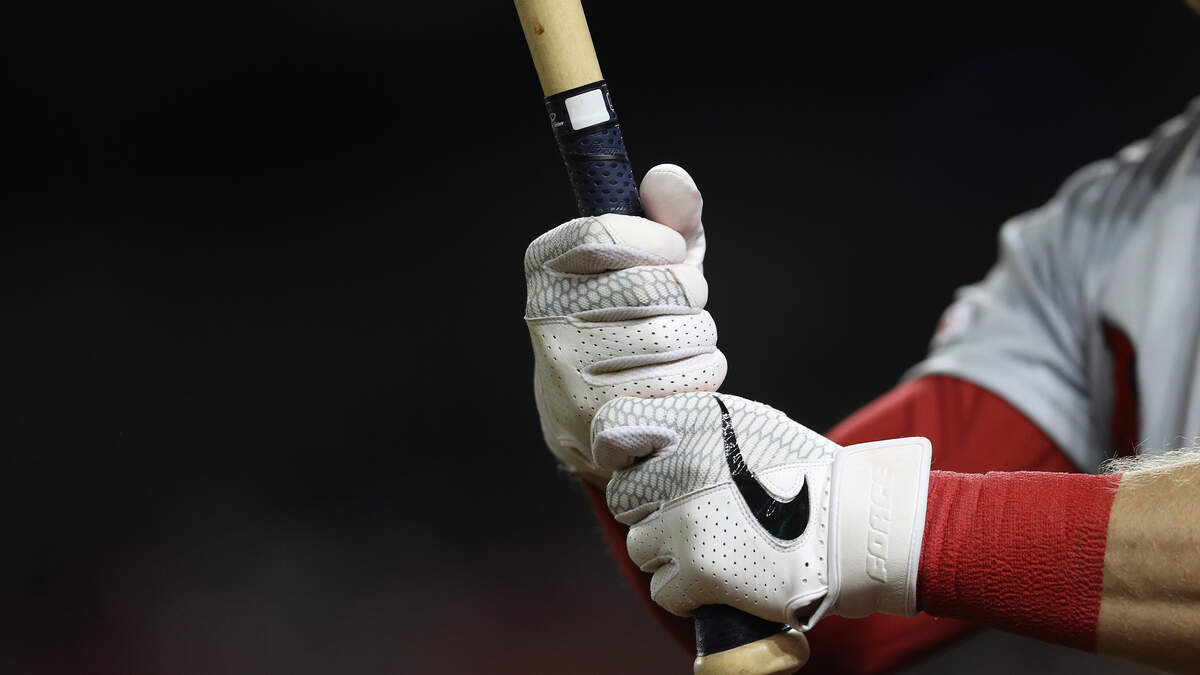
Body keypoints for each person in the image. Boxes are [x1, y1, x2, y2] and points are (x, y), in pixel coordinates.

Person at [523, 96, 1200, 673]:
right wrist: (625, 433)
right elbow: (821, 610)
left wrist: (875, 525)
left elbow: (897, 529)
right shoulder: (1105, 230)